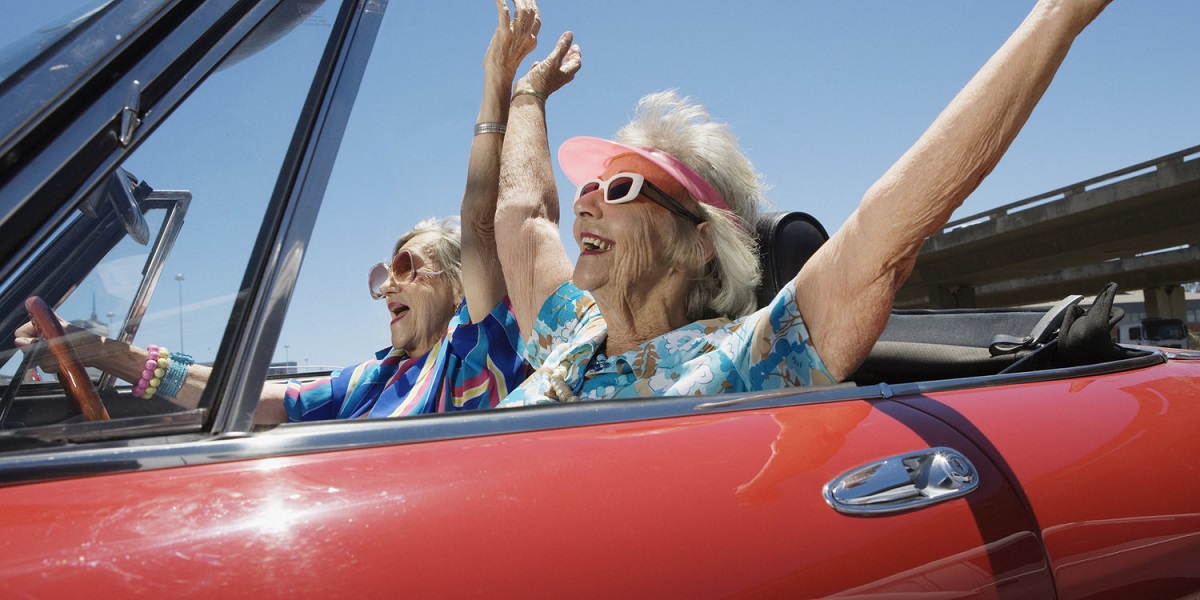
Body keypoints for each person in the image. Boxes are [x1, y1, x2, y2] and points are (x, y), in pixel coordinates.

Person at [490, 0, 1113, 406]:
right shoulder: (572, 327)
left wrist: (1059, 14)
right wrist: (527, 93)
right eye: (591, 186)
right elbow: (524, 217)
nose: (586, 203)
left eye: (621, 188)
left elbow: (882, 237)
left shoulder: (745, 361)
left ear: (698, 240)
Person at [14, 0, 540, 423]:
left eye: (406, 268)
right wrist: (106, 353)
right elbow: (268, 401)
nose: (387, 287)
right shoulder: (377, 377)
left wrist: (499, 85)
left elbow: (479, 223)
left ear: (459, 284)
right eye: (383, 274)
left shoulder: (474, 351)